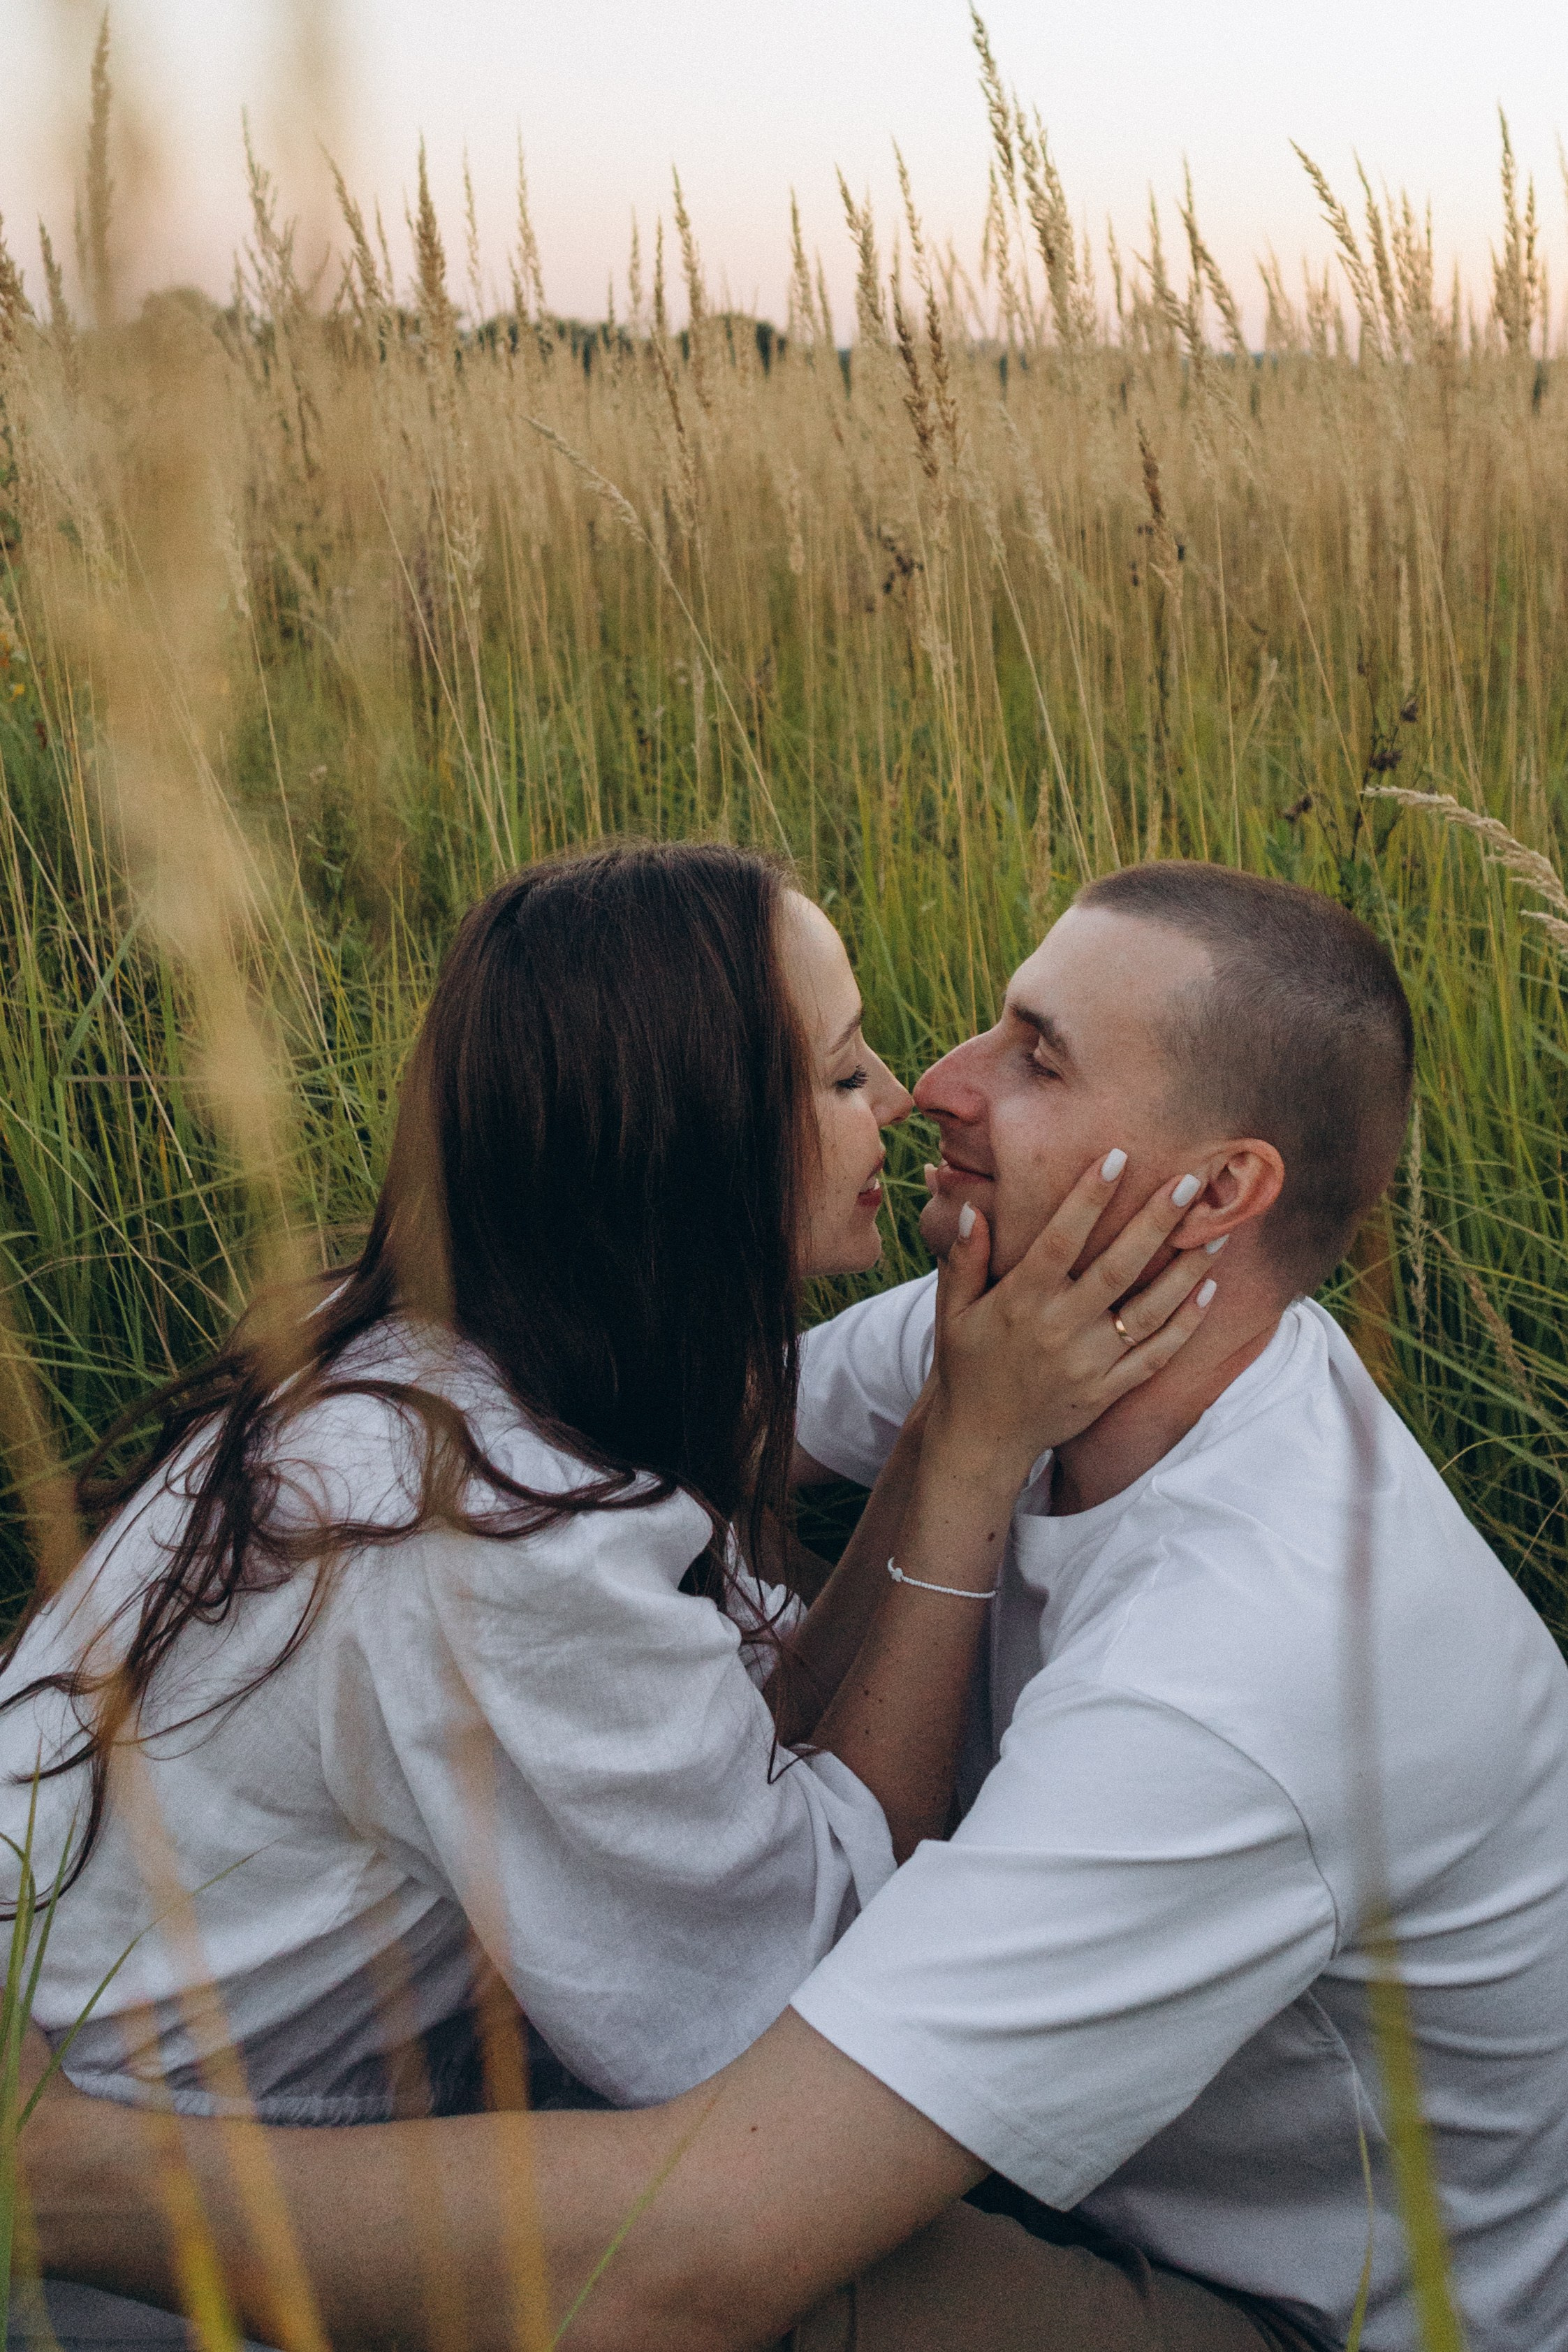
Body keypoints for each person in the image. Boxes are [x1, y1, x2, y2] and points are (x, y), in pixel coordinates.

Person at [22, 862, 1568, 2351]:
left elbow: (713, 2180)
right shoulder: (1022, 1320)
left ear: (1217, 1191)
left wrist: (953, 1460)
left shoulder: (1247, 1659)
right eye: (856, 1071)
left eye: (1033, 1056)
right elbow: (703, 1418)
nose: (933, 1087)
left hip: (1284, 2302)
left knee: (666, 2245)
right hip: (1032, 2154)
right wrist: (950, 1451)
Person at [0, 840, 1207, 2138]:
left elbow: (773, 1744)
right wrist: (971, 1459)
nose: (902, 1098)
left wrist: (947, 1431)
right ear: (693, 1142)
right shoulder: (483, 1535)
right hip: (127, 2267)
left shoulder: (457, 1370)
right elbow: (808, 1986)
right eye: (843, 1069)